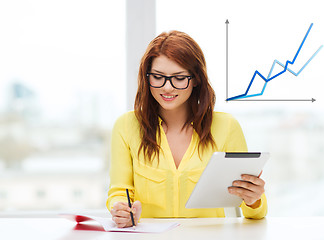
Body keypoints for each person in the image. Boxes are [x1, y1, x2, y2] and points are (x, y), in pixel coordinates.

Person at [106, 30, 267, 228]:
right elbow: (119, 192)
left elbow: (255, 214)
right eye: (158, 77)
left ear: (196, 79)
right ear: (146, 78)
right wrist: (122, 209)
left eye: (179, 78)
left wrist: (254, 200)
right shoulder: (126, 126)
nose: (167, 87)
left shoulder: (226, 127)